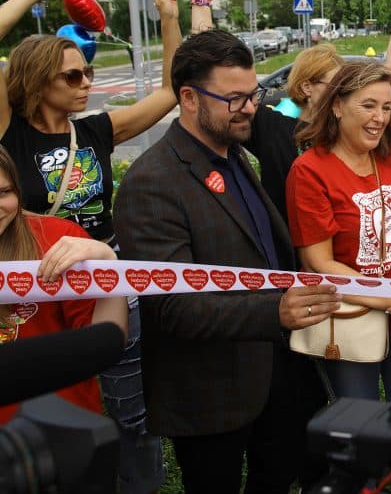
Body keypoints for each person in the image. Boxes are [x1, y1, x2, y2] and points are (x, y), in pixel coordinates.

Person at [114, 30, 344, 493]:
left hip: (275, 370)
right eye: (234, 98)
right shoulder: (152, 182)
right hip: (209, 390)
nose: (250, 108)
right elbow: (171, 306)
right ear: (188, 98)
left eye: (253, 94)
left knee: (278, 476)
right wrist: (275, 311)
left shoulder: (234, 153)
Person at [0, 0, 187, 494]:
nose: (87, 83)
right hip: (35, 276)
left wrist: (169, 17)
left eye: (88, 73)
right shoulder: (10, 133)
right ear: (37, 81)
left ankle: (136, 481)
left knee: (131, 402)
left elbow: (170, 92)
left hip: (103, 271)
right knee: (49, 392)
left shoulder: (98, 130)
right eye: (74, 76)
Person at [286, 60, 391, 493]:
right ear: (336, 106)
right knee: (360, 436)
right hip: (351, 322)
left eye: (387, 107)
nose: (380, 118)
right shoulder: (310, 171)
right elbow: (319, 262)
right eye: (368, 105)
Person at [190, 0, 391, 220]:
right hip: (285, 243)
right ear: (306, 87)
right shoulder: (271, 125)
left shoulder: (343, 126)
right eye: (334, 86)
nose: (341, 94)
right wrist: (202, 1)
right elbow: (213, 73)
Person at [0, 144, 128, 422]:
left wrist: (107, 265)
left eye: (3, 192)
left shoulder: (58, 240)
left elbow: (107, 340)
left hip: (62, 427)